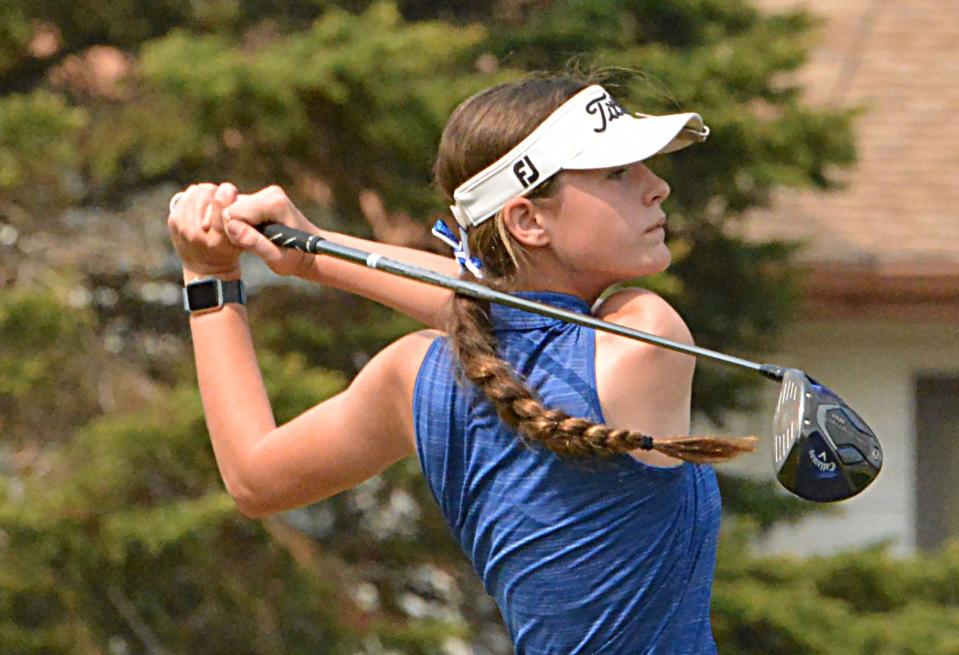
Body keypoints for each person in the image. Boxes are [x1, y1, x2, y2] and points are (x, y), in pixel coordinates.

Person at [167, 76, 756, 654]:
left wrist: (213, 275)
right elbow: (508, 314)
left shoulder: (415, 375)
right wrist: (316, 253)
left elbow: (252, 477)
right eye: (618, 173)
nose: (657, 187)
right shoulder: (645, 332)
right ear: (528, 221)